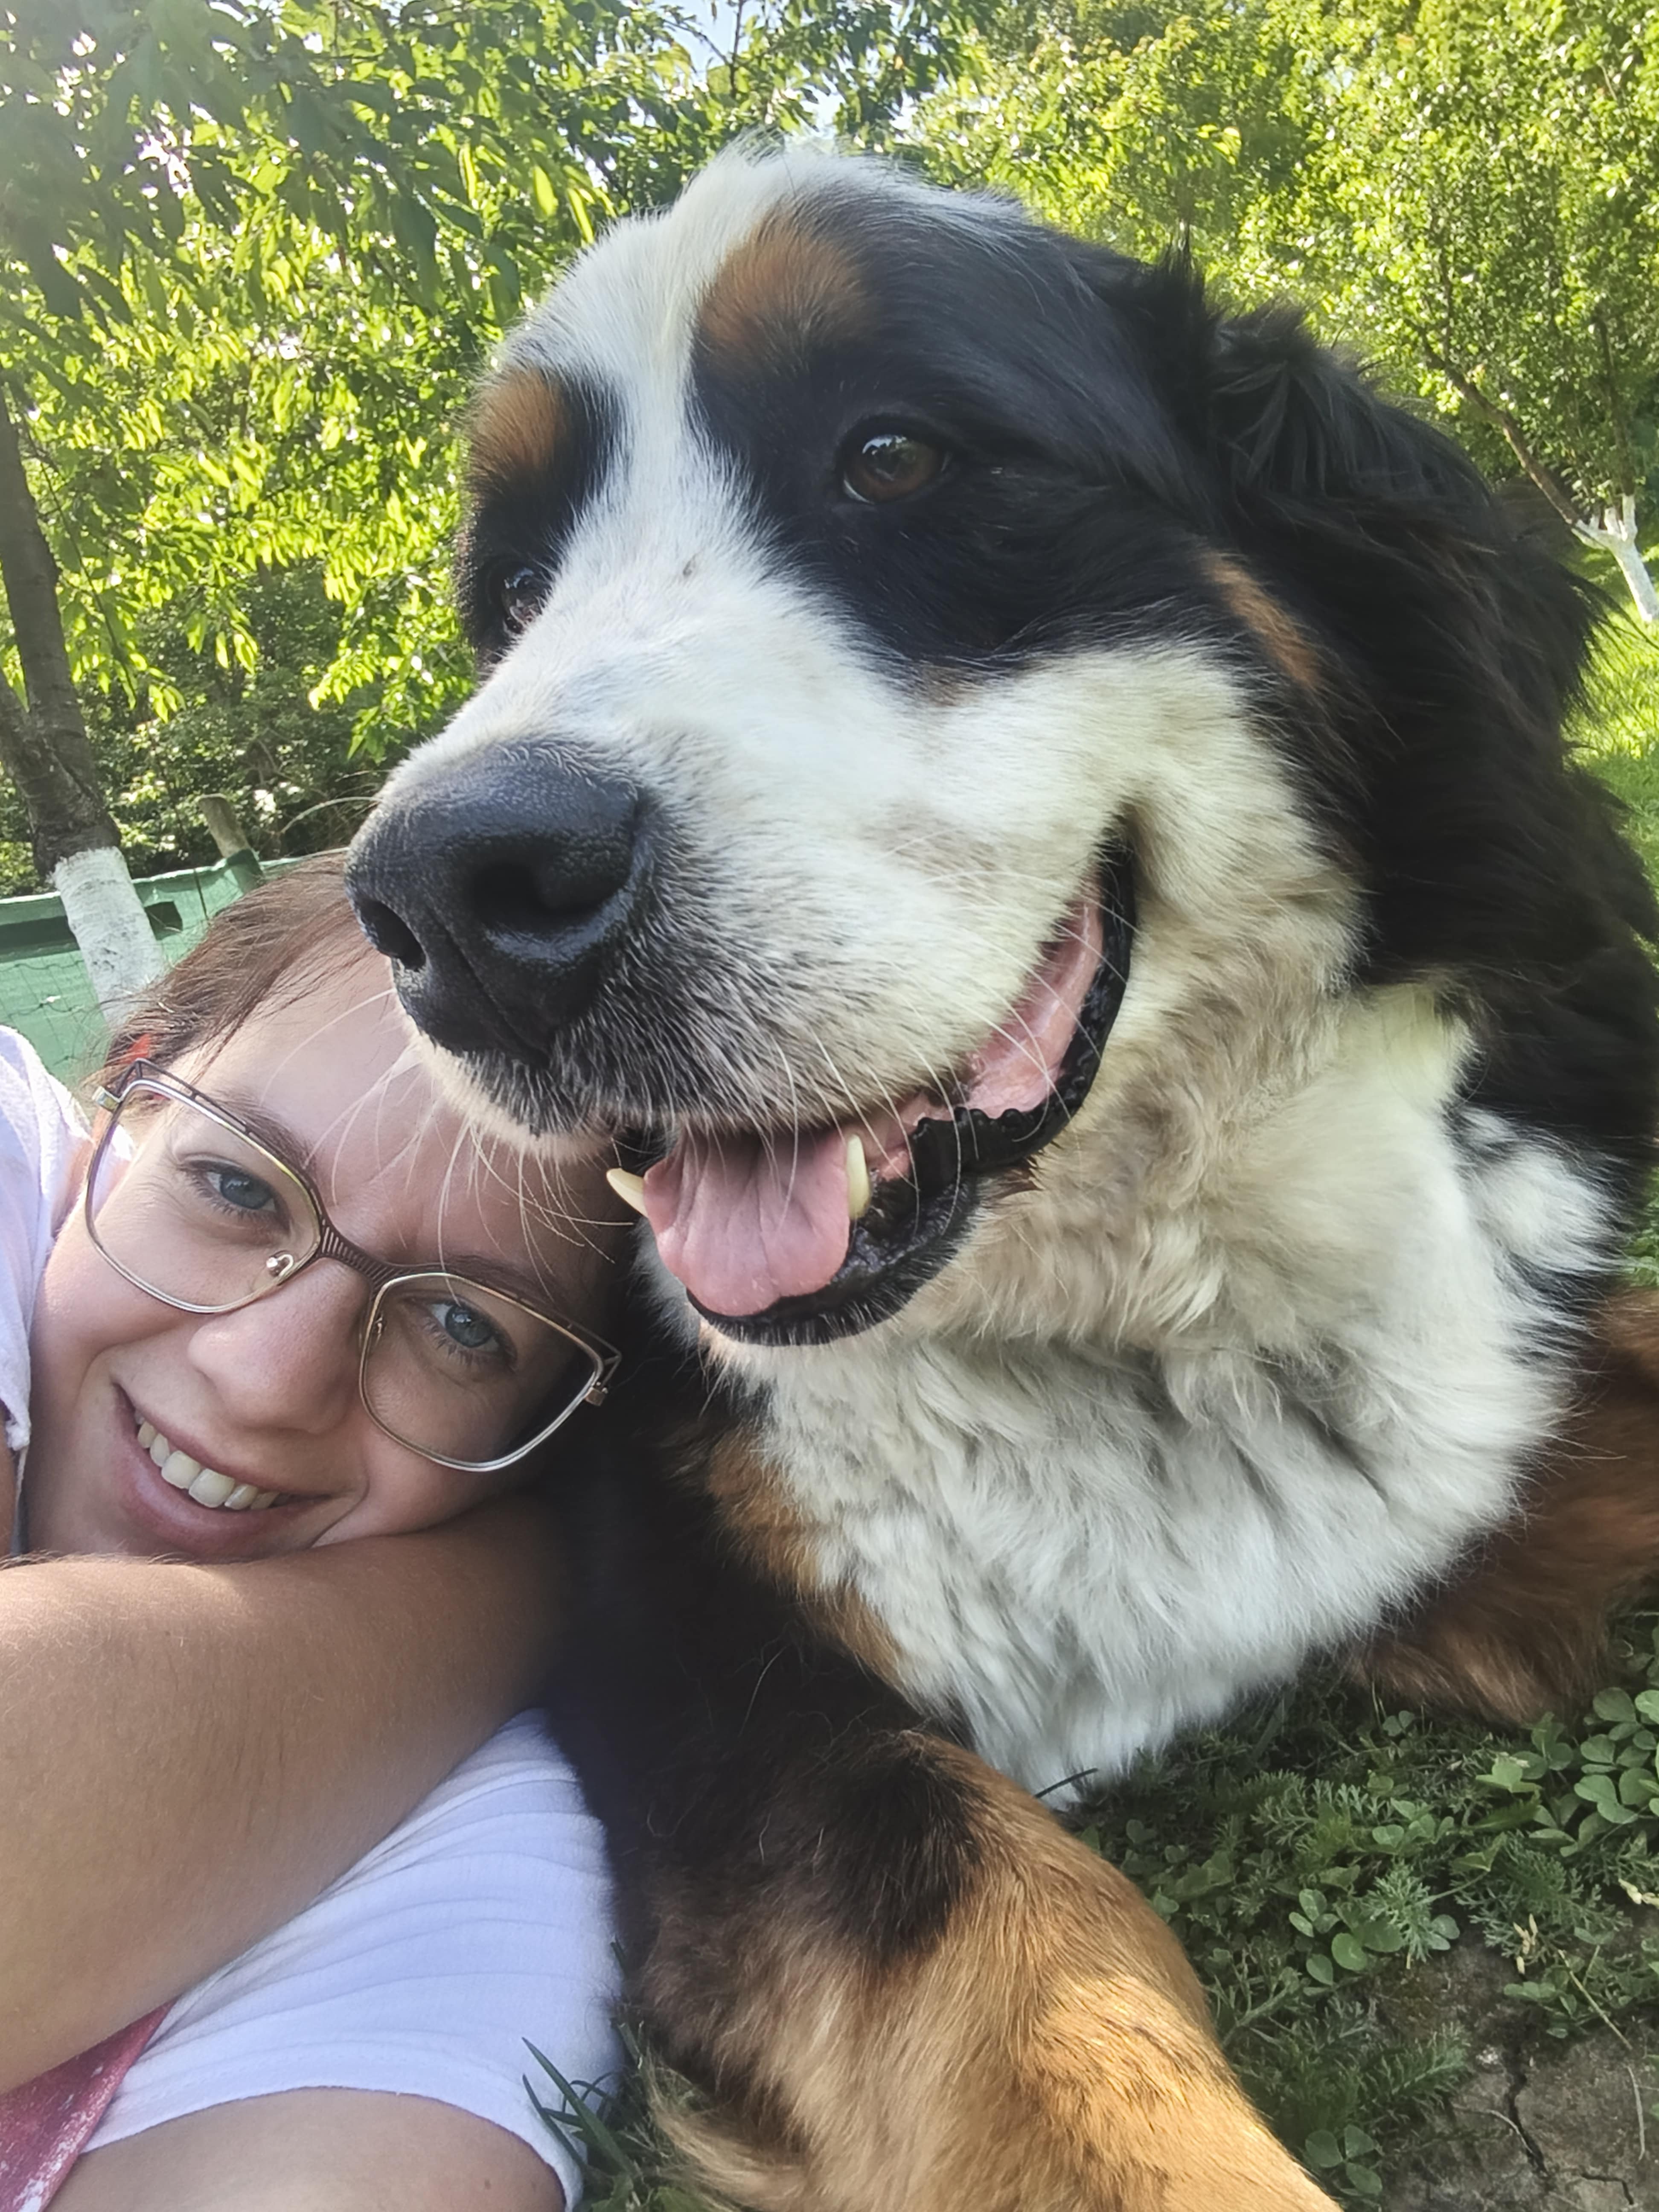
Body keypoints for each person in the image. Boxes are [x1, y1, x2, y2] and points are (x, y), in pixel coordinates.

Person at [0, 854, 629, 2212]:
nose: (264, 1379)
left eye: (461, 1325)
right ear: (117, 1107)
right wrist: (526, 1582)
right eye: (235, 1189)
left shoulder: (485, 1833)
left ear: (552, 1432)